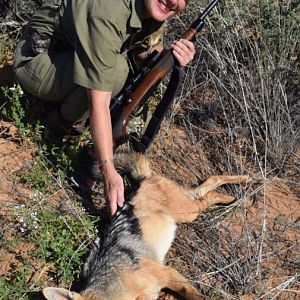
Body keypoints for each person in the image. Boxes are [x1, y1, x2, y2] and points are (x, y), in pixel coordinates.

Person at [13, 0, 195, 215]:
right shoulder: (108, 9)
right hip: (38, 61)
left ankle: (86, 128)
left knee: (131, 73)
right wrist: (107, 169)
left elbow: (143, 52)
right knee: (116, 71)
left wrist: (171, 57)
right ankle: (62, 122)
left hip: (72, 57)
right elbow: (99, 96)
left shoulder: (153, 11)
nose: (173, 1)